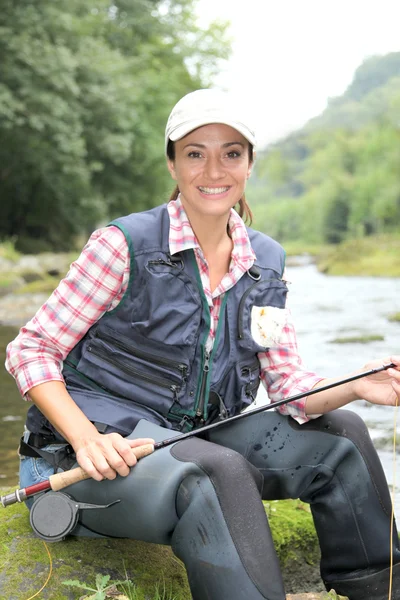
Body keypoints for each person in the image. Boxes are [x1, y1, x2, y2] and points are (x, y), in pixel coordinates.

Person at [5, 88, 400, 600]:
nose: (214, 171)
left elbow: (288, 388)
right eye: (196, 153)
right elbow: (31, 349)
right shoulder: (121, 245)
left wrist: (359, 385)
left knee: (343, 436)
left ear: (250, 164)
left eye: (231, 154)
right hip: (84, 456)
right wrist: (86, 439)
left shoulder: (267, 263)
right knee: (218, 475)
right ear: (172, 163)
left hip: (193, 440)